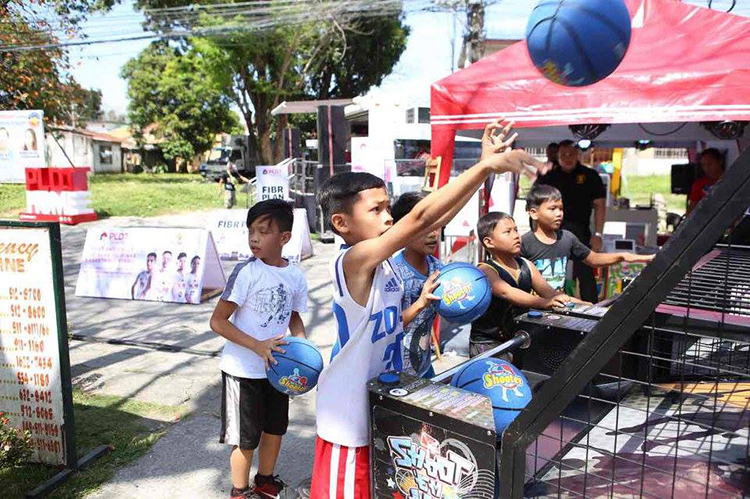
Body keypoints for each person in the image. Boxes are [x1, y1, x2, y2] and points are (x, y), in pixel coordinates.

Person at [310, 118, 548, 498]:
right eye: (376, 211)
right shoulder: (353, 262)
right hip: (348, 413)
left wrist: (481, 171)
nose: (389, 217)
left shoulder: (387, 262)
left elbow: (432, 218)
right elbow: (420, 217)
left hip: (385, 399)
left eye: (389, 207)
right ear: (341, 223)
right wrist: (483, 166)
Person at [209, 199, 308, 499]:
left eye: (263, 231)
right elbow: (218, 321)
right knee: (246, 439)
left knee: (275, 430)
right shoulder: (246, 273)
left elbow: (293, 317)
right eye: (251, 231)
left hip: (276, 371)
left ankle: (265, 483)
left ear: (285, 238)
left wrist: (303, 355)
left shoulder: (295, 276)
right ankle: (240, 492)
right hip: (243, 371)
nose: (254, 238)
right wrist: (257, 346)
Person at [470, 211, 579, 359]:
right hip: (489, 343)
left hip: (518, 338)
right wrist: (546, 303)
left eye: (516, 230)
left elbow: (551, 293)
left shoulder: (526, 265)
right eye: (507, 232)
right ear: (489, 242)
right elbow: (508, 293)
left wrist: (585, 305)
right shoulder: (485, 270)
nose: (516, 235)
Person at [522, 185, 654, 294]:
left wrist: (624, 256)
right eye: (552, 209)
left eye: (561, 208)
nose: (559, 213)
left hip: (556, 309)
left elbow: (593, 259)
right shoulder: (524, 244)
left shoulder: (567, 238)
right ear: (534, 213)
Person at [535, 139, 607, 302]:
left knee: (586, 276)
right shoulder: (549, 177)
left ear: (578, 154)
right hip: (551, 234)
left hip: (581, 234)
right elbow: (535, 205)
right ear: (557, 156)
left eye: (571, 154)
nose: (568, 157)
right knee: (548, 274)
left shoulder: (590, 176)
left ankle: (591, 312)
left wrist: (598, 234)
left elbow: (600, 206)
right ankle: (546, 306)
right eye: (563, 154)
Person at [391, 191, 442, 378]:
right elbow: (387, 327)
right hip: (394, 371)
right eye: (425, 226)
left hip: (423, 366)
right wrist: (420, 303)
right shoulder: (393, 274)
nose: (433, 234)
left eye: (436, 225)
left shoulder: (438, 268)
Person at [687, 148, 724, 214]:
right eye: (703, 165)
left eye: (710, 164)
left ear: (720, 161)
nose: (707, 168)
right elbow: (691, 209)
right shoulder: (699, 185)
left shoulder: (730, 180)